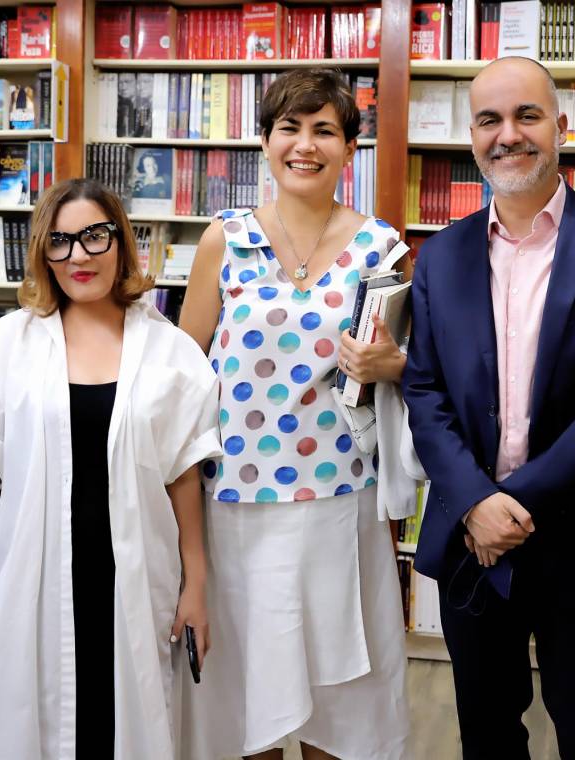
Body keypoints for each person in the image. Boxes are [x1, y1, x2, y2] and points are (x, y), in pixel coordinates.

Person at [402, 56, 575, 759]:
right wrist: (472, 503)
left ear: (561, 127)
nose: (508, 134)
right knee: (485, 733)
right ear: (471, 137)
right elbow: (424, 392)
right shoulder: (442, 255)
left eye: (527, 116)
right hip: (470, 541)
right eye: (489, 119)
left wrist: (507, 504)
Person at [0, 178, 222, 758]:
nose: (78, 256)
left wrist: (197, 587)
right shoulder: (2, 347)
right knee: (24, 725)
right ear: (42, 252)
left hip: (137, 579)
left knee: (123, 728)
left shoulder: (172, 352)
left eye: (93, 236)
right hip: (30, 577)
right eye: (59, 242)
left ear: (121, 241)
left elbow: (183, 479)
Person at [177, 68, 411, 760]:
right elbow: (183, 374)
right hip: (236, 507)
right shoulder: (224, 239)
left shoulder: (383, 247)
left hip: (338, 503)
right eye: (289, 127)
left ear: (348, 149)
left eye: (324, 131)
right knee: (248, 693)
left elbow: (411, 368)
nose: (305, 145)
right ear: (265, 141)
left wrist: (390, 366)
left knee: (337, 699)